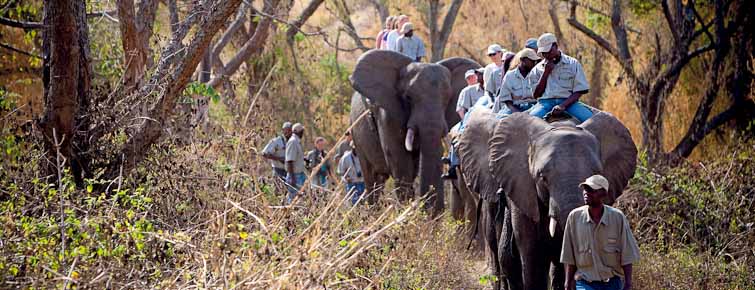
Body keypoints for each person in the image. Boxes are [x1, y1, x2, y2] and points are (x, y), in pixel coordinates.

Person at [561, 175, 640, 290]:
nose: (586, 193)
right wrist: (568, 282)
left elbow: (627, 253)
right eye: (585, 189)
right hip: (585, 283)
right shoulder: (574, 217)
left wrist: (628, 283)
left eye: (591, 190)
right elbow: (569, 254)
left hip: (612, 283)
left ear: (603, 193)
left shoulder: (617, 218)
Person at [530, 33, 593, 123]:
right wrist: (546, 73)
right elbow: (536, 95)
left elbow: (580, 90)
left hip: (569, 103)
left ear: (555, 46)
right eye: (543, 53)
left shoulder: (572, 63)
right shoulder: (537, 69)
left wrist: (563, 105)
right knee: (529, 123)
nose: (546, 55)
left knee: (591, 122)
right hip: (545, 104)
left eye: (549, 51)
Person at [496, 49, 542, 115]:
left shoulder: (537, 74)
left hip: (533, 106)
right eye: (532, 61)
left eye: (535, 61)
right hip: (514, 107)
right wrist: (516, 111)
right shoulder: (509, 76)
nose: (534, 63)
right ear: (522, 60)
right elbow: (506, 99)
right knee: (500, 120)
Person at [285, 123, 307, 202]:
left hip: (299, 174)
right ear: (299, 132)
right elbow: (289, 161)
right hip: (295, 176)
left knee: (300, 199)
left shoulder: (296, 141)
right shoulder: (293, 142)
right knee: (293, 199)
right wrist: (292, 178)